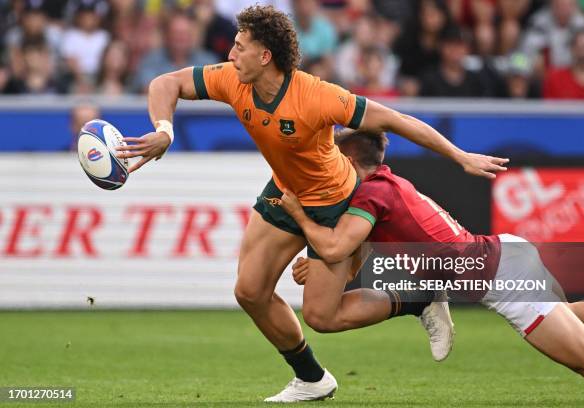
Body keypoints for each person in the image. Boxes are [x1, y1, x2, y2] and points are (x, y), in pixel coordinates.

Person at [114, 5, 508, 402]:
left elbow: (394, 120)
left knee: (322, 316)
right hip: (284, 192)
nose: (230, 54)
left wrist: (459, 155)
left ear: (264, 56)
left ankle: (416, 299)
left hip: (334, 201)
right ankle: (312, 379)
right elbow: (166, 84)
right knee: (250, 292)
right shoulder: (231, 80)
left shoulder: (316, 96)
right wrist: (163, 130)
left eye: (239, 47)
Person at [278, 130, 584, 382]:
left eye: (330, 159)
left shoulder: (371, 195)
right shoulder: (387, 185)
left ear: (348, 162)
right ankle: (420, 299)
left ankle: (420, 299)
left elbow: (336, 247)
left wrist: (301, 216)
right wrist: (323, 267)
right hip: (507, 256)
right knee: (566, 313)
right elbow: (348, 258)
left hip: (507, 281)